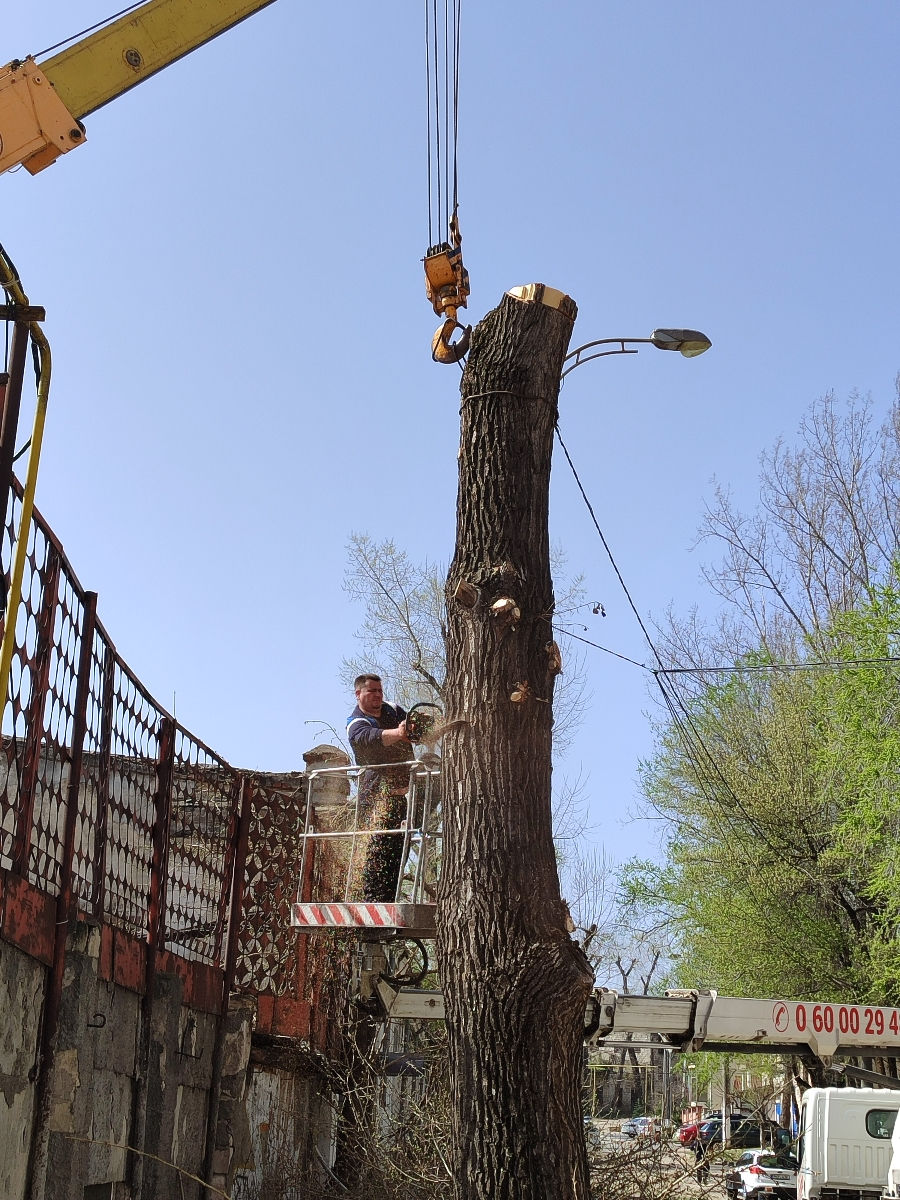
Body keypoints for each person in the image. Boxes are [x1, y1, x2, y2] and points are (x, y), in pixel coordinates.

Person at [346, 674, 412, 902]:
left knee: (398, 852)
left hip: (400, 797)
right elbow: (372, 738)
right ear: (358, 694)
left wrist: (418, 727)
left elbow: (413, 727)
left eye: (379, 691)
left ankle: (389, 899)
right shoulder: (356, 724)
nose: (377, 695)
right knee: (377, 853)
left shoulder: (393, 710)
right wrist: (399, 733)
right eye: (371, 691)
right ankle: (372, 901)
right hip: (374, 800)